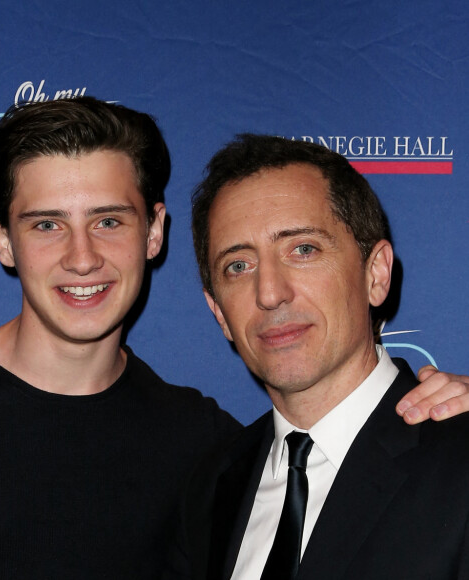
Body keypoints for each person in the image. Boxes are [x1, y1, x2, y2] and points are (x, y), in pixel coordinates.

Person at [0, 100, 465, 579]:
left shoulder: (203, 449)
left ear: (154, 231)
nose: (82, 257)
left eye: (109, 221)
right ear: (3, 241)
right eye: (47, 224)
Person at [165, 134, 469, 580]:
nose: (269, 293)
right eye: (238, 266)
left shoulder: (459, 462)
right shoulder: (209, 489)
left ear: (376, 273)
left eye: (303, 249)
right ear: (219, 313)